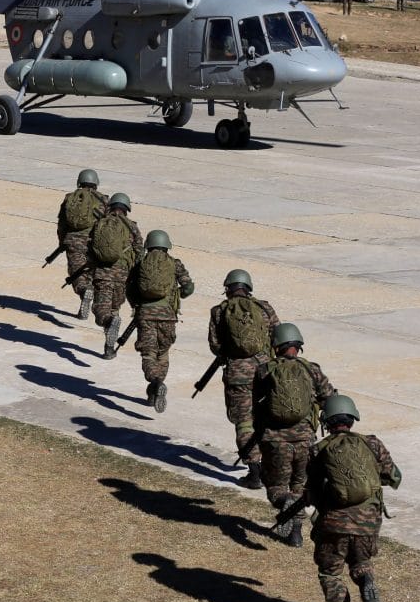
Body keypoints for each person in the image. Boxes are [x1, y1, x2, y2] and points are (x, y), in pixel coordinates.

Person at [306, 395, 401, 602]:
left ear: (326, 421)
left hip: (334, 524)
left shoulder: (317, 450)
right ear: (352, 418)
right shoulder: (372, 443)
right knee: (361, 561)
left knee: (330, 572)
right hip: (368, 522)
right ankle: (366, 580)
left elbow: (311, 492)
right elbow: (394, 477)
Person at [255, 322, 336, 548]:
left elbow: (257, 407)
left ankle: (285, 504)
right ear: (298, 345)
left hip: (275, 441)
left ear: (276, 346)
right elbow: (329, 400)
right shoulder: (312, 370)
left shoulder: (264, 371)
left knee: (276, 488)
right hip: (305, 440)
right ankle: (296, 535)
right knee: (300, 487)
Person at [207, 269, 280, 489]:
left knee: (244, 422)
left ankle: (254, 471)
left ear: (228, 288)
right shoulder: (264, 308)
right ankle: (274, 465)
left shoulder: (219, 312)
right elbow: (279, 336)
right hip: (265, 372)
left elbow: (215, 345)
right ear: (248, 287)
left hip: (238, 375)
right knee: (268, 418)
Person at [126, 230, 194, 412]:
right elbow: (188, 287)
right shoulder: (174, 264)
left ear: (148, 245)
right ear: (166, 246)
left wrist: (138, 305)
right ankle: (157, 387)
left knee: (148, 354)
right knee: (162, 353)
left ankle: (155, 382)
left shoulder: (140, 263)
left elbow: (129, 289)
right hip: (168, 316)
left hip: (145, 315)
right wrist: (176, 296)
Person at [88, 192, 143, 357]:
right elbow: (139, 252)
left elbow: (90, 248)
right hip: (122, 277)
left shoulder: (100, 223)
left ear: (111, 206)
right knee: (114, 309)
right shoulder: (132, 227)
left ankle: (109, 323)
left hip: (103, 274)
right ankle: (109, 348)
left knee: (100, 311)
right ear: (127, 208)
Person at [55, 169, 108, 319]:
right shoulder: (104, 200)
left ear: (79, 181)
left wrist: (62, 242)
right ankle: (84, 306)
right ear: (96, 183)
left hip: (73, 242)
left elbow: (62, 224)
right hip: (94, 244)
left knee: (76, 272)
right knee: (90, 274)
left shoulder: (70, 198)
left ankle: (84, 291)